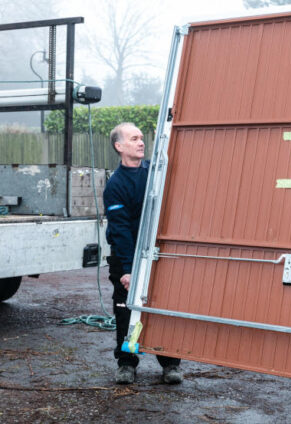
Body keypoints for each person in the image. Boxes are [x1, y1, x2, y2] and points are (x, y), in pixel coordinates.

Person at [103, 122, 183, 385]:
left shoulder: (153, 172)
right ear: (119, 146)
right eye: (134, 138)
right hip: (127, 255)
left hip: (156, 253)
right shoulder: (116, 184)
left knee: (162, 307)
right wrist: (127, 269)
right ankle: (127, 363)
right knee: (126, 310)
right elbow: (121, 229)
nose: (141, 142)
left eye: (141, 138)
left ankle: (170, 363)